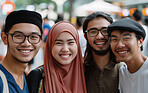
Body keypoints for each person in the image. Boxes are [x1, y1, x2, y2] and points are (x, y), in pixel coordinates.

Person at [26, 21, 87, 93]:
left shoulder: (87, 74)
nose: (65, 49)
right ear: (50, 46)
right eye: (58, 43)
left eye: (70, 42)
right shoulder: (37, 77)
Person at [0, 10, 43, 93]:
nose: (26, 43)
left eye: (33, 37)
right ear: (4, 38)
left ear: (41, 41)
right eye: (18, 36)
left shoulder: (27, 78)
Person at [83, 11, 122, 93]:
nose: (99, 36)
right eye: (93, 32)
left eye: (105, 31)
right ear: (85, 36)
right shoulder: (79, 69)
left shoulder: (124, 69)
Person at [108, 17, 148, 93]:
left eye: (126, 38)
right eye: (114, 39)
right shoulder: (122, 72)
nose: (119, 45)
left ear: (140, 41)